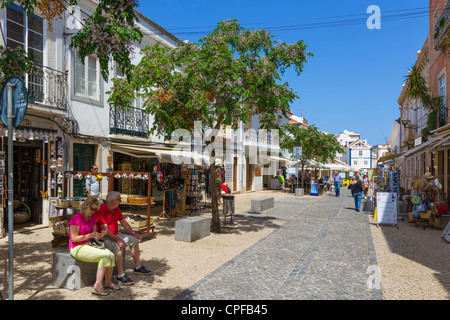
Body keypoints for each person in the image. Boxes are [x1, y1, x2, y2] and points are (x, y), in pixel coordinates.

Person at [95, 191, 151, 285]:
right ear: (112, 201)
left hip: (115, 234)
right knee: (118, 247)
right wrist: (118, 239)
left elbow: (124, 223)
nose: (120, 201)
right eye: (119, 199)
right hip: (103, 236)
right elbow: (105, 229)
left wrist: (133, 234)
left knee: (134, 240)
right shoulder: (101, 210)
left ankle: (138, 267)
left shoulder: (116, 208)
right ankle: (121, 275)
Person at [68, 197, 119, 296]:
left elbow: (95, 235)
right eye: (92, 209)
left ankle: (108, 282)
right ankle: (97, 286)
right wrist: (90, 235)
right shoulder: (76, 218)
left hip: (89, 245)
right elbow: (74, 238)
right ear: (86, 207)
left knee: (111, 255)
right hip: (77, 247)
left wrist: (101, 235)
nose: (94, 212)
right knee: (105, 256)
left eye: (96, 209)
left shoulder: (92, 218)